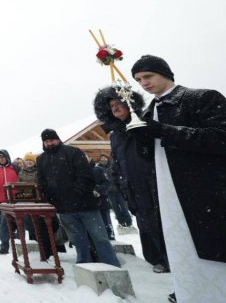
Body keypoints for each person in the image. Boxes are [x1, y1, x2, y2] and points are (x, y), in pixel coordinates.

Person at [131, 55, 226, 303]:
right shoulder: (147, 111)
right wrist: (143, 142)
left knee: (214, 251)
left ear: (166, 73)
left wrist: (165, 131)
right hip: (167, 194)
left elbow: (220, 138)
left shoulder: (202, 98)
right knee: (182, 251)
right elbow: (152, 157)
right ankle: (191, 294)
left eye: (148, 76)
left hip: (206, 192)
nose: (144, 83)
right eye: (139, 79)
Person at [94, 85, 169, 273]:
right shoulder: (115, 136)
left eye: (119, 102)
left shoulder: (145, 122)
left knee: (161, 224)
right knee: (145, 224)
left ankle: (169, 261)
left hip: (153, 184)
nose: (115, 108)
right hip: (132, 188)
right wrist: (120, 183)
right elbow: (117, 162)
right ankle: (156, 259)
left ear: (130, 102)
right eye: (111, 106)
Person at [36, 129, 120, 267]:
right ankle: (84, 267)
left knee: (100, 238)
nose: (49, 143)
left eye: (52, 140)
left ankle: (112, 266)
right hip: (64, 209)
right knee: (78, 241)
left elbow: (85, 176)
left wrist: (76, 193)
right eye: (46, 141)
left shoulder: (73, 152)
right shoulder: (42, 159)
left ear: (58, 139)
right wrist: (50, 198)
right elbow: (42, 181)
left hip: (85, 205)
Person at [0, 149, 18, 254]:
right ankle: (4, 246)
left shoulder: (15, 167)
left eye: (3, 157)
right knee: (4, 225)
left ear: (7, 157)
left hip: (16, 200)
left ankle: (22, 245)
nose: (2, 159)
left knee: (20, 223)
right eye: (0, 157)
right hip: (3, 201)